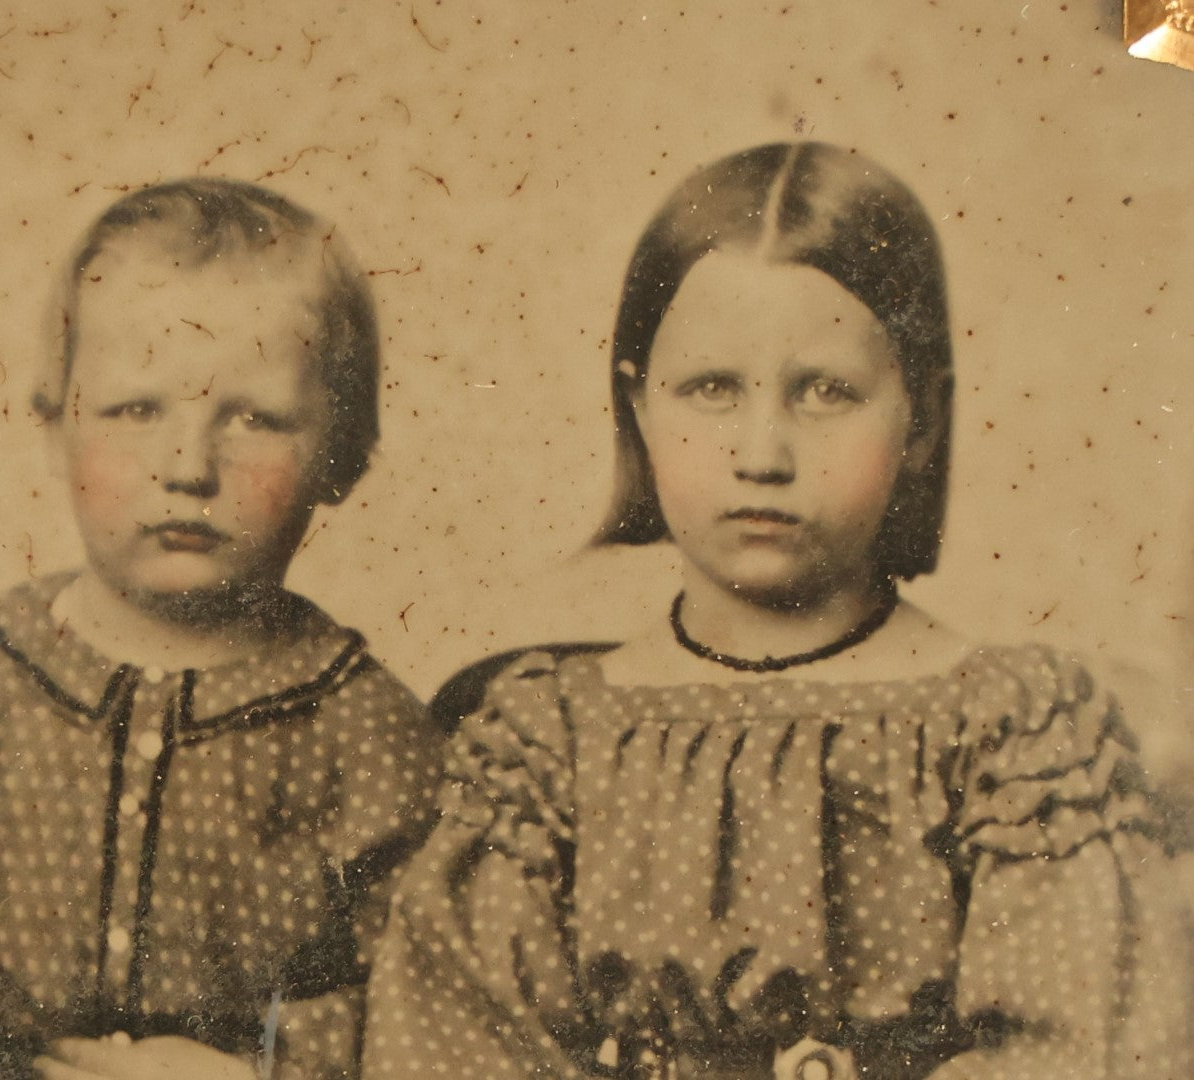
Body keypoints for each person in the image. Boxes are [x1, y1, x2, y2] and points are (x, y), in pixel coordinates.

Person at [363, 142, 1192, 1079]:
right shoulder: (546, 742)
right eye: (711, 390)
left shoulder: (1014, 739)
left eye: (826, 392)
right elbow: (454, 1046)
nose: (762, 452)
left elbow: (1087, 1049)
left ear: (920, 419)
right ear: (637, 407)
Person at [0, 179, 445, 1079]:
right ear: (56, 427)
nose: (188, 466)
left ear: (343, 453)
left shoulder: (373, 744)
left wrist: (266, 1074)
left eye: (255, 418)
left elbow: (446, 1018)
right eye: (136, 410)